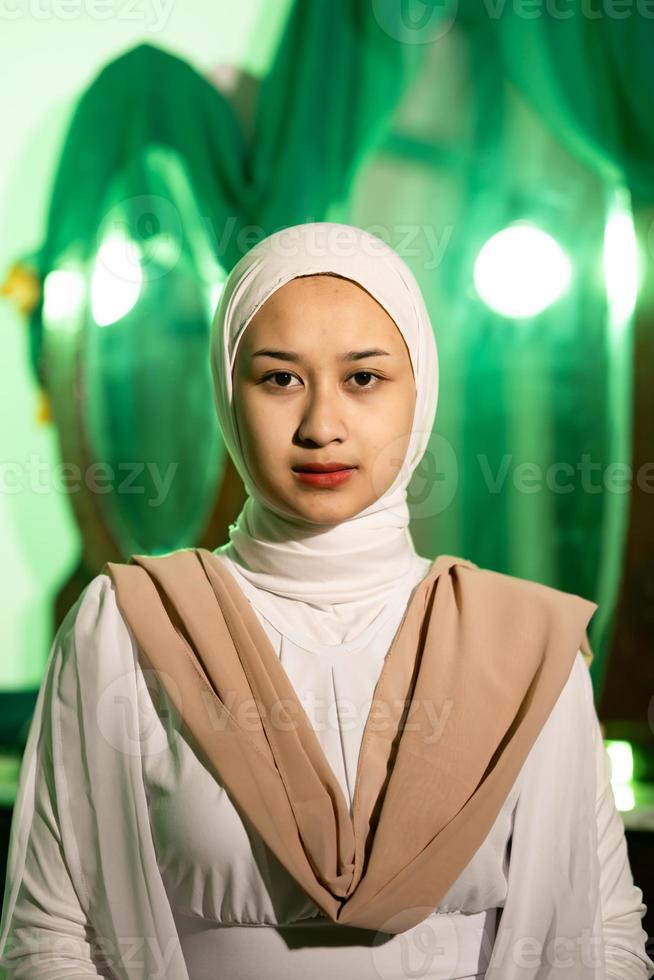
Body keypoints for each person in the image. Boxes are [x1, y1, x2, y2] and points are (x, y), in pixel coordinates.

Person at [0, 222, 652, 980]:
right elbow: (50, 935)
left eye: (363, 379)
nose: (321, 426)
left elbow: (600, 938)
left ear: (421, 391)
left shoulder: (524, 643)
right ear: (225, 392)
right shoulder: (132, 626)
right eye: (279, 378)